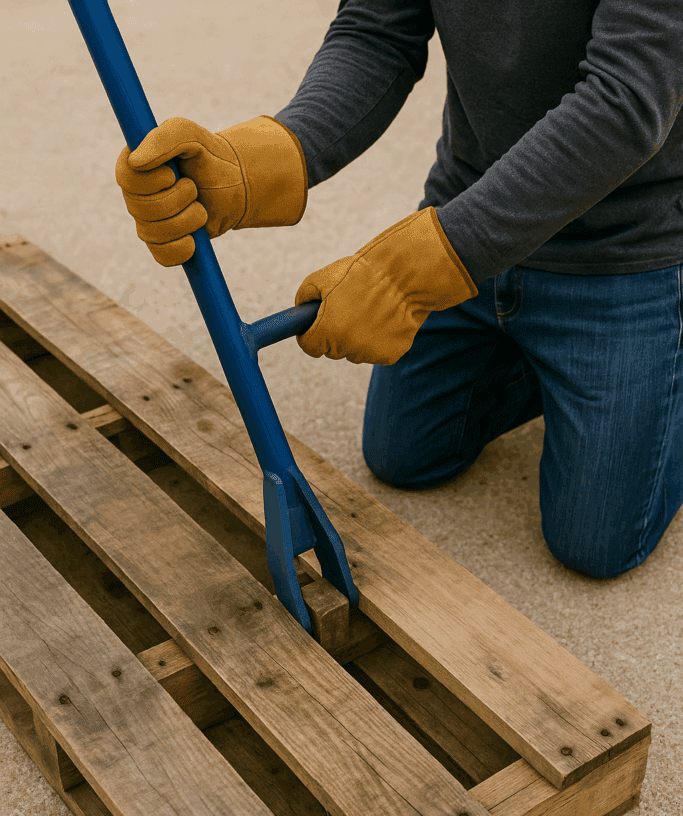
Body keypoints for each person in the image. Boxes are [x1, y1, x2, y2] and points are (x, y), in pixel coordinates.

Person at [115, 0, 683, 579]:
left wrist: (409, 274)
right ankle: (562, 377)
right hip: (470, 207)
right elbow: (378, 31)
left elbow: (627, 99)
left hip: (623, 251)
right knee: (406, 455)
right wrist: (264, 162)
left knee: (597, 543)